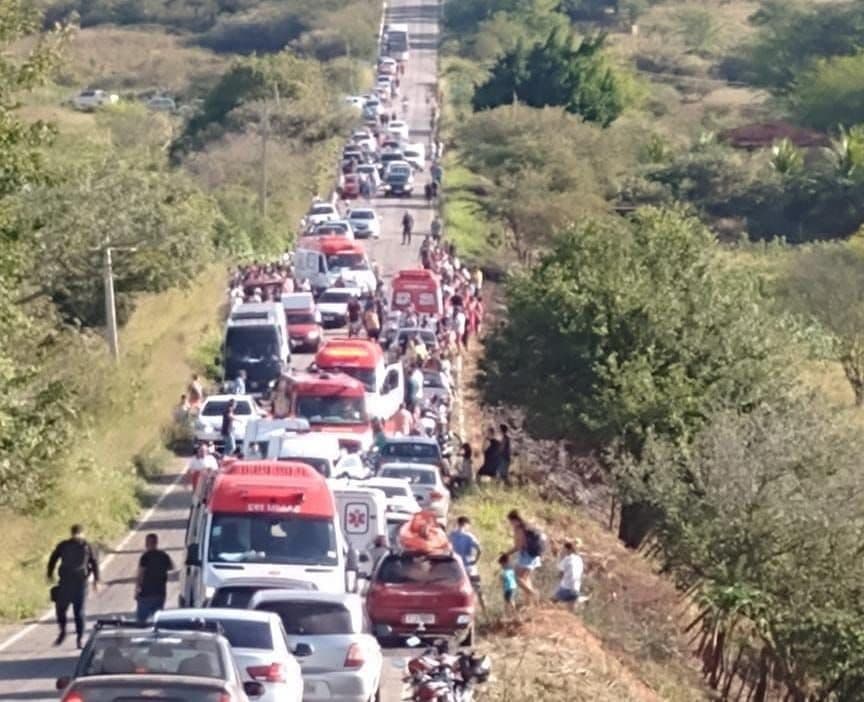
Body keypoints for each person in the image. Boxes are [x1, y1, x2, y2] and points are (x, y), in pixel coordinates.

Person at [47, 524, 99, 648]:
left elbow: (53, 559)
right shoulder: (88, 546)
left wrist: (50, 573)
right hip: (80, 583)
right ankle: (79, 638)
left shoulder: (64, 545)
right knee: (78, 612)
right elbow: (95, 563)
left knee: (62, 609)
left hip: (66, 582)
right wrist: (96, 580)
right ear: (82, 533)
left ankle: (64, 633)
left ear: (71, 533)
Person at [450, 517, 487, 615]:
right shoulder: (469, 536)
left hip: (457, 569)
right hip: (470, 567)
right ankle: (485, 612)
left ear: (458, 523)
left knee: (458, 591)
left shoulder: (451, 535)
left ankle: (458, 612)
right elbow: (479, 549)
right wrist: (475, 560)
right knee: (479, 590)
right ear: (466, 524)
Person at [135, 533, 174, 623]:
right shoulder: (164, 555)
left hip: (146, 594)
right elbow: (171, 567)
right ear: (156, 542)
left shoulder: (145, 557)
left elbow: (140, 574)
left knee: (141, 620)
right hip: (160, 593)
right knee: (158, 620)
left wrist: (137, 590)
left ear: (147, 543)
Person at [506, 510, 542, 605]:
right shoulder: (529, 526)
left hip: (527, 555)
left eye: (511, 521)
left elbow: (518, 546)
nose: (510, 524)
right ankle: (528, 604)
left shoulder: (519, 529)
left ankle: (533, 593)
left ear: (515, 520)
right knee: (525, 579)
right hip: (535, 555)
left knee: (516, 577)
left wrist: (507, 553)